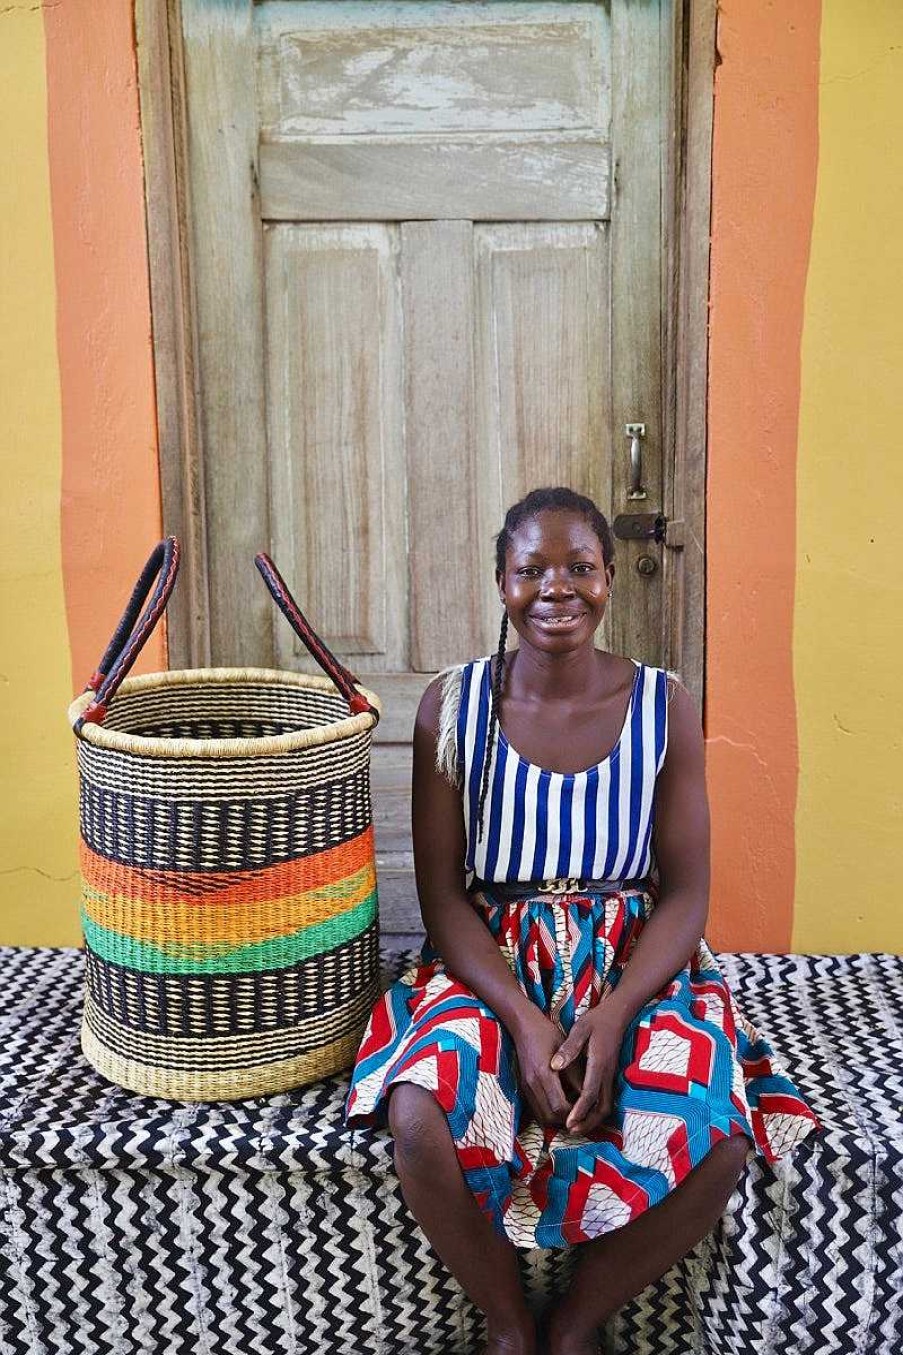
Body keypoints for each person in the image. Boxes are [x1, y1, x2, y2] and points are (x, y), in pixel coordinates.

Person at [344, 486, 821, 1355]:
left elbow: (684, 892)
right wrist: (524, 1021)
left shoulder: (662, 705)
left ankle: (573, 1324)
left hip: (633, 957)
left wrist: (615, 1011)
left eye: (580, 567)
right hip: (491, 957)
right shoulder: (449, 709)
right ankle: (505, 1324)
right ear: (500, 582)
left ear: (608, 580)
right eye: (531, 570)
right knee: (418, 1108)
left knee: (717, 1131)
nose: (555, 588)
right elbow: (444, 895)